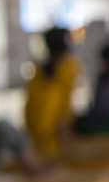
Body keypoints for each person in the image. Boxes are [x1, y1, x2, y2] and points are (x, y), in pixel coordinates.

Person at [23, 26, 80, 157]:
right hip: (54, 138)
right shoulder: (69, 66)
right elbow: (66, 101)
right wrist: (66, 128)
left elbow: (30, 104)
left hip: (36, 136)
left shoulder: (39, 70)